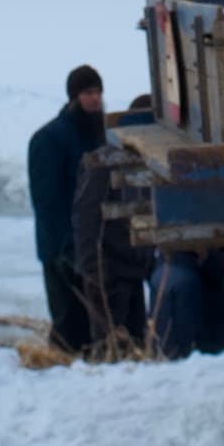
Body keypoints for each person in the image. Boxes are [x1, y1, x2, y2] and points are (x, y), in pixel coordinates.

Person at [26, 66, 106, 353]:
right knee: (68, 323)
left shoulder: (98, 133)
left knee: (91, 323)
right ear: (74, 96)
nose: (95, 99)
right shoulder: (48, 139)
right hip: (62, 249)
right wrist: (65, 250)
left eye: (98, 92)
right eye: (88, 93)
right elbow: (47, 202)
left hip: (90, 246)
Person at [71, 94, 155, 352]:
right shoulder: (104, 162)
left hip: (134, 268)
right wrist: (93, 270)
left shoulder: (147, 160)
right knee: (109, 348)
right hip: (108, 272)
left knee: (136, 344)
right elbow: (86, 215)